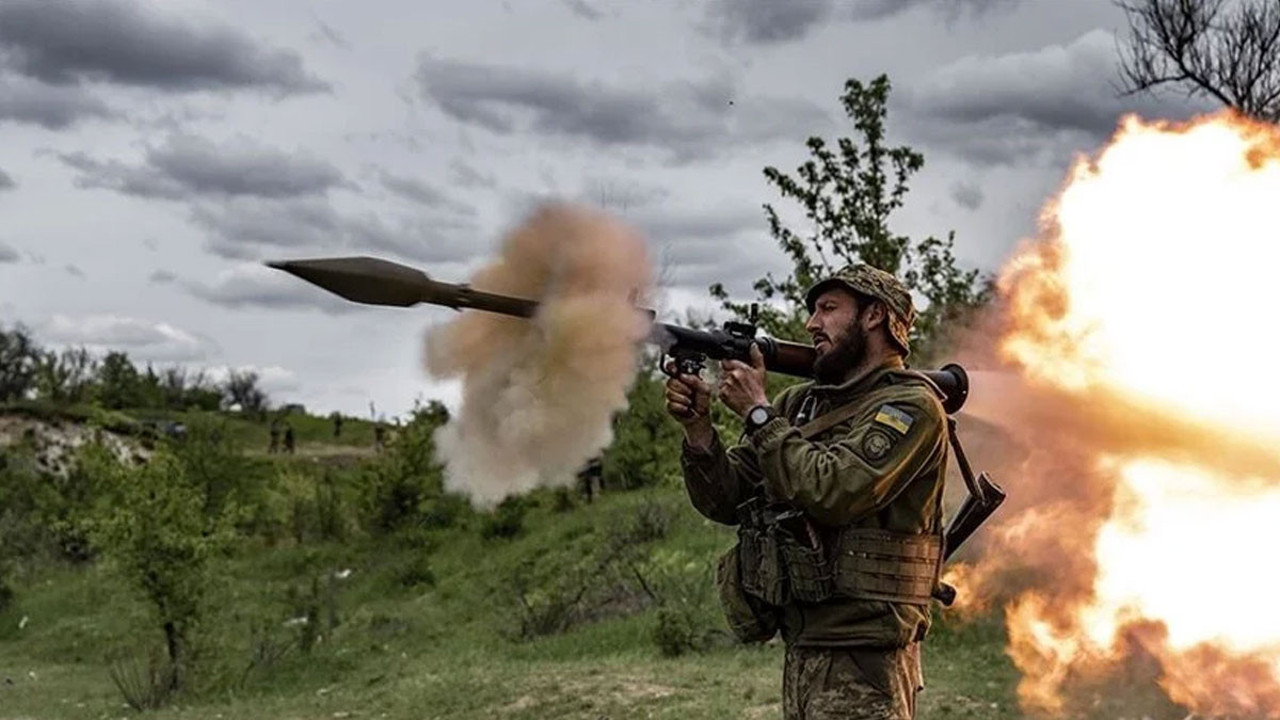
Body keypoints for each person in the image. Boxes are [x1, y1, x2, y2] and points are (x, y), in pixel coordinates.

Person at [665, 265, 949, 720]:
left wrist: (758, 413)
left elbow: (836, 489)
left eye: (827, 309)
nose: (811, 324)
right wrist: (699, 431)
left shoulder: (911, 407)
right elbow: (729, 500)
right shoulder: (800, 404)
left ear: (874, 316)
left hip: (866, 655)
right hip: (804, 646)